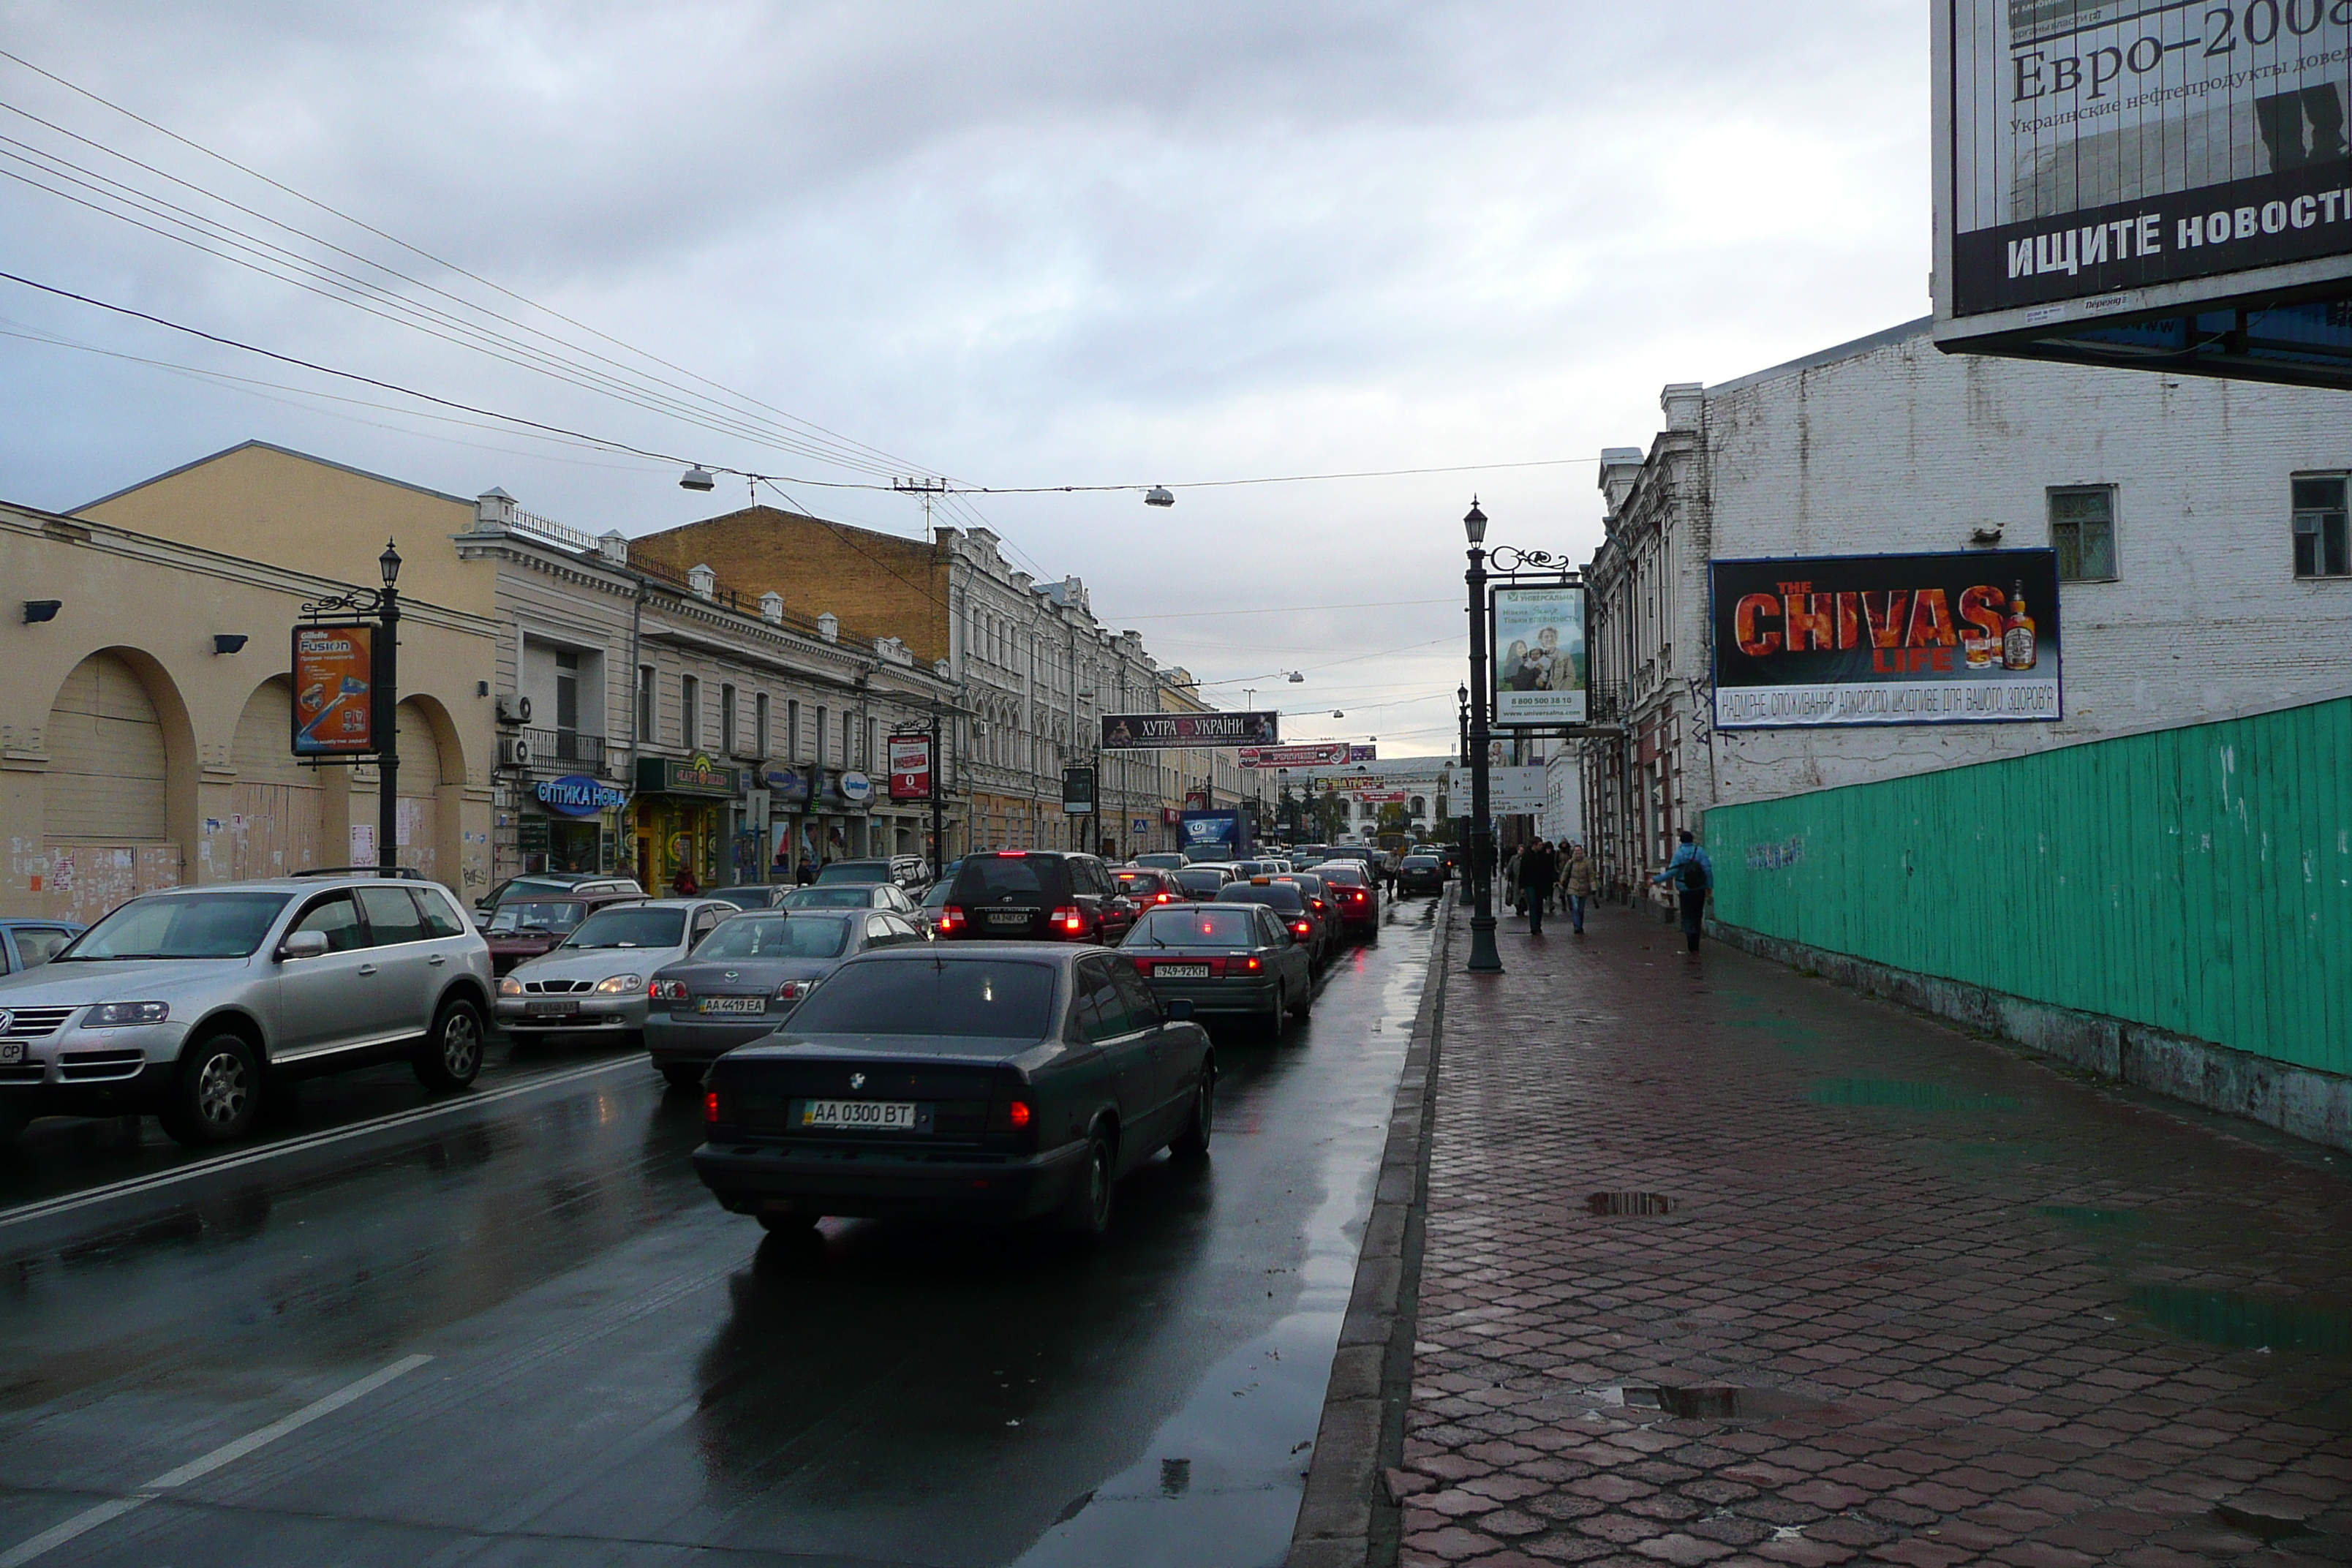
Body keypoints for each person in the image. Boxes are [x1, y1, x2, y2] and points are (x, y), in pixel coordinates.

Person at [1651, 829, 1713, 953]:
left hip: (1685, 889)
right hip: (1699, 889)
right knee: (1697, 915)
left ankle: (1690, 934)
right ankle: (1696, 944)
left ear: (1681, 841)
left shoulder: (1678, 854)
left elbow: (1672, 872)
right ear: (1692, 840)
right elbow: (1707, 869)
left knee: (1687, 915)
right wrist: (1709, 886)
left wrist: (1655, 879)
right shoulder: (1699, 851)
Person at [1519, 837, 1558, 935]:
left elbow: (1549, 870)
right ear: (1535, 845)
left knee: (1539, 905)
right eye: (1540, 845)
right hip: (1530, 884)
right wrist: (1522, 886)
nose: (1542, 846)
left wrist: (1553, 881)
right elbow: (1522, 871)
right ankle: (1533, 926)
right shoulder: (1527, 856)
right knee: (1532, 904)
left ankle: (1538, 925)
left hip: (1541, 884)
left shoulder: (1544, 856)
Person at [1564, 842, 1595, 934]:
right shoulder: (1571, 862)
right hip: (1572, 886)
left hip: (1584, 887)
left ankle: (1580, 925)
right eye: (1576, 851)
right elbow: (1565, 872)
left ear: (1582, 852)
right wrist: (1561, 882)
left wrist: (1593, 887)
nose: (1578, 853)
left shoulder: (1587, 862)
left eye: (1579, 851)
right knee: (1575, 907)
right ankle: (1577, 927)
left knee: (1581, 909)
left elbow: (1591, 875)